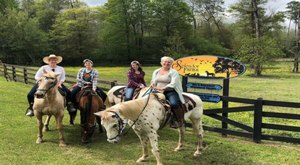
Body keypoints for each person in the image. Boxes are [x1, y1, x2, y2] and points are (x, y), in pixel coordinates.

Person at [150, 56, 185, 128]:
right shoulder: (156, 71)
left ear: (171, 63)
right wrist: (152, 84)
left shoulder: (174, 72)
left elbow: (173, 83)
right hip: (156, 91)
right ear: (161, 63)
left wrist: (163, 88)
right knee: (145, 100)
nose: (166, 63)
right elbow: (153, 80)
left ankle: (177, 120)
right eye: (164, 61)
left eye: (169, 62)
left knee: (174, 104)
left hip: (170, 91)